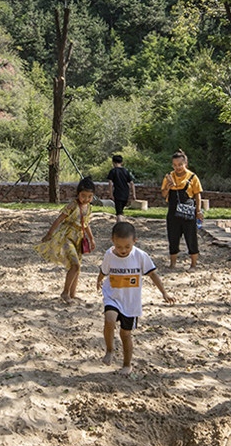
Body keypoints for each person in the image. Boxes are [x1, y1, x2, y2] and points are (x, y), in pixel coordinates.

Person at [97, 220, 172, 374]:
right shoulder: (109, 255)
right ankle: (110, 350)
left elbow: (152, 274)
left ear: (134, 242)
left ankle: (126, 365)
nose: (123, 250)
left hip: (131, 303)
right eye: (119, 247)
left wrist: (164, 292)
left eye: (127, 247)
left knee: (125, 334)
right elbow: (104, 271)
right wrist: (99, 280)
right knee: (109, 320)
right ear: (113, 242)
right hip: (113, 297)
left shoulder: (141, 256)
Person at [36, 176, 97, 301]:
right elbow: (59, 219)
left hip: (79, 239)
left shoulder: (89, 208)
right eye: (83, 195)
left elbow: (86, 224)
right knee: (74, 265)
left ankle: (72, 294)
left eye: (89, 196)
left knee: (77, 267)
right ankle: (65, 293)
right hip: (67, 237)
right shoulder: (72, 205)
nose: (86, 199)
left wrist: (91, 239)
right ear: (78, 194)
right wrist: (49, 234)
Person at [160, 150, 204, 269]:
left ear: (185, 163)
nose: (177, 167)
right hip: (173, 212)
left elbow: (198, 195)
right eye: (175, 165)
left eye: (180, 164)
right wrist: (167, 188)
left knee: (191, 237)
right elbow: (163, 195)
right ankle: (173, 263)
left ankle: (193, 264)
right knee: (173, 237)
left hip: (188, 212)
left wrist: (198, 211)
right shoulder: (168, 177)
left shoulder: (193, 177)